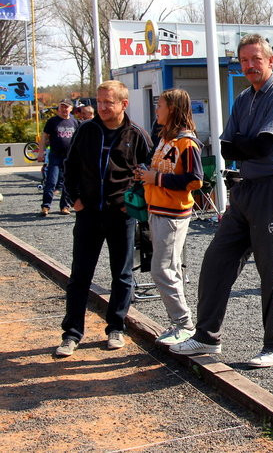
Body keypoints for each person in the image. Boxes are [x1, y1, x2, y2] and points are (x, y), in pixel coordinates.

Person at [170, 34, 273, 369]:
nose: (250, 65)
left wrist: (245, 143)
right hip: (245, 187)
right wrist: (247, 144)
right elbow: (227, 147)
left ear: (270, 61)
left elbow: (263, 145)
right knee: (217, 260)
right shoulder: (244, 98)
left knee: (270, 268)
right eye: (244, 60)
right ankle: (206, 336)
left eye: (256, 59)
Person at [54, 81, 153, 357]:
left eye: (108, 102)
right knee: (79, 276)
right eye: (99, 102)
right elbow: (70, 165)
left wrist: (132, 204)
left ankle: (116, 328)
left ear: (123, 104)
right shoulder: (86, 130)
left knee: (122, 275)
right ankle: (71, 334)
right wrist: (74, 198)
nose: (102, 107)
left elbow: (149, 171)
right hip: (88, 214)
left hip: (120, 216)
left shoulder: (137, 134)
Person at [135, 88, 203, 346]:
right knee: (169, 268)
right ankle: (180, 323)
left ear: (172, 109)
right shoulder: (165, 138)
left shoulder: (187, 142)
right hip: (158, 209)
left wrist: (156, 178)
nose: (156, 110)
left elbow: (195, 180)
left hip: (172, 214)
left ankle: (184, 324)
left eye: (160, 106)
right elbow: (162, 171)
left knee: (162, 269)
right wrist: (145, 174)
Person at [38, 98, 80, 216]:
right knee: (51, 181)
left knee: (67, 183)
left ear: (71, 109)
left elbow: (80, 139)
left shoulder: (75, 122)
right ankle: (46, 206)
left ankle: (64, 206)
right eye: (62, 106)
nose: (63, 109)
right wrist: (40, 152)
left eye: (66, 107)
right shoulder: (52, 121)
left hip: (70, 158)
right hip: (55, 156)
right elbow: (44, 137)